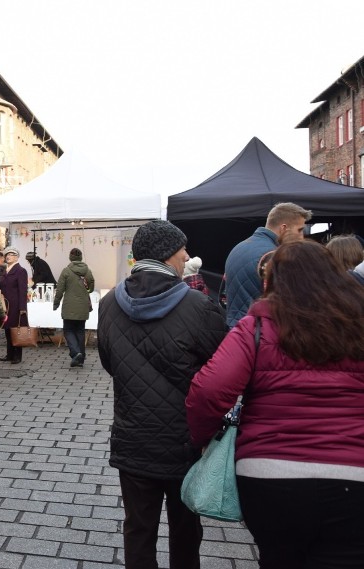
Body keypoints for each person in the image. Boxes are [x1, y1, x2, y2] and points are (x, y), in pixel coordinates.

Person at [187, 240, 364, 569]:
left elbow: (209, 390)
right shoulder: (358, 325)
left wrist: (201, 438)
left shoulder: (255, 328)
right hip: (354, 474)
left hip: (268, 473)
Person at [97, 220, 227, 569]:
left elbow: (110, 363)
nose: (187, 257)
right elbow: (222, 374)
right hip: (186, 441)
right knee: (185, 529)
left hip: (131, 437)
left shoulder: (109, 304)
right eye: (182, 250)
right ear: (169, 256)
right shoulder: (199, 307)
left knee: (138, 529)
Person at [223, 202, 311, 328]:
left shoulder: (238, 247)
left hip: (236, 331)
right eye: (300, 230)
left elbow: (223, 297)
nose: (302, 237)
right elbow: (286, 306)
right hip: (259, 335)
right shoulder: (273, 256)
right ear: (284, 228)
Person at [53, 248, 95, 368]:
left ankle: (76, 353)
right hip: (83, 306)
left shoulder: (66, 271)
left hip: (69, 306)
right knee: (80, 331)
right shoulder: (87, 271)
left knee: (68, 330)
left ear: (70, 258)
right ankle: (80, 359)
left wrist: (56, 303)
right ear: (81, 257)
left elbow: (60, 289)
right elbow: (91, 288)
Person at [0, 247, 29, 364]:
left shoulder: (20, 271)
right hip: (5, 304)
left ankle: (17, 355)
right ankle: (10, 353)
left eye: (11, 254)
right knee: (7, 329)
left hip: (16, 305)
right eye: (7, 254)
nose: (8, 256)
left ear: (17, 257)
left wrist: (22, 307)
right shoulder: (5, 270)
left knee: (16, 329)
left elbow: (23, 290)